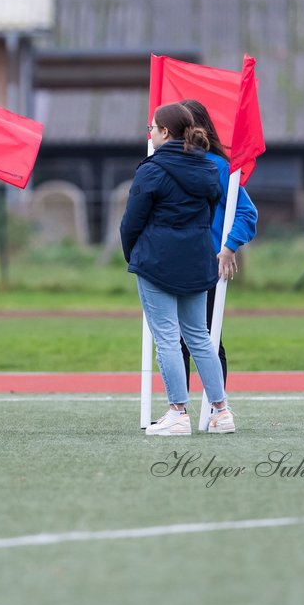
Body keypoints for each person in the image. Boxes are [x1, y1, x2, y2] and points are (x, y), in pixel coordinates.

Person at [120, 101, 235, 435]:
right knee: (200, 337)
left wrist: (134, 255)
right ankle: (221, 411)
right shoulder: (209, 169)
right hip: (198, 259)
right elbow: (211, 212)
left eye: (152, 127)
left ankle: (178, 413)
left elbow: (131, 222)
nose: (150, 132)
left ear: (165, 132)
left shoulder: (152, 169)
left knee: (168, 339)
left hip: (158, 261)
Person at [177, 98, 258, 390]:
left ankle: (217, 409)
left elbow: (247, 212)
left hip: (208, 263)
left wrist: (228, 247)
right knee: (175, 342)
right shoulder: (167, 164)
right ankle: (178, 410)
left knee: (209, 339)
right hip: (174, 263)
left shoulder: (219, 167)